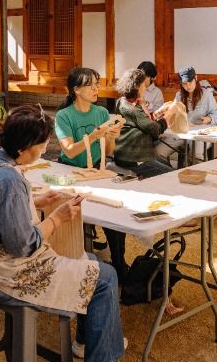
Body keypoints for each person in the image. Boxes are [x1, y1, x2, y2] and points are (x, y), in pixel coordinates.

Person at [0, 105, 126, 362]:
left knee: (92, 261)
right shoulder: (8, 180)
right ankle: (99, 352)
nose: (43, 151)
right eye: (41, 147)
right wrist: (56, 217)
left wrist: (34, 200)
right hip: (8, 273)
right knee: (106, 277)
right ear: (23, 148)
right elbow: (23, 245)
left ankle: (87, 341)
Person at [54, 67, 126, 276]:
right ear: (76, 90)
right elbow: (69, 150)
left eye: (97, 85)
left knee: (114, 211)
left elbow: (108, 151)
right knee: (80, 213)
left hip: (96, 169)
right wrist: (94, 136)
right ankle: (82, 260)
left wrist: (111, 137)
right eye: (91, 85)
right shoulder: (64, 116)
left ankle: (119, 263)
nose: (96, 89)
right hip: (71, 172)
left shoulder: (101, 112)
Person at [113, 68, 174, 177]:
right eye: (143, 85)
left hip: (124, 155)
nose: (145, 88)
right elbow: (155, 129)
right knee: (171, 174)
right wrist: (167, 117)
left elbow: (143, 121)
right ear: (137, 87)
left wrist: (158, 113)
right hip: (133, 158)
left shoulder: (122, 101)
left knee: (168, 165)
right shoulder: (133, 109)